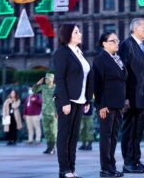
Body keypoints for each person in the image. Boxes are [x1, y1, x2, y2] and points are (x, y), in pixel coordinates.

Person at [53, 24, 93, 178]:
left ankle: (71, 168)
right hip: (67, 100)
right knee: (64, 135)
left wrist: (87, 99)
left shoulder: (79, 53)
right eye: (76, 32)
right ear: (68, 35)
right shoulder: (62, 53)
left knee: (74, 136)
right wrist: (64, 102)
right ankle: (64, 170)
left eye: (79, 31)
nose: (80, 34)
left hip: (79, 100)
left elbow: (85, 78)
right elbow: (60, 79)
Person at [119, 18, 144, 173]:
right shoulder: (127, 45)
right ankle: (128, 162)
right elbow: (123, 71)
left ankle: (136, 160)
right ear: (136, 29)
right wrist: (124, 97)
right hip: (131, 97)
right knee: (129, 130)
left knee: (138, 131)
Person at [94, 32, 127, 177]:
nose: (117, 43)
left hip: (118, 104)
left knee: (113, 136)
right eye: (113, 41)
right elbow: (97, 84)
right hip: (106, 104)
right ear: (104, 43)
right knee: (106, 137)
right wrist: (101, 104)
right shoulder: (100, 59)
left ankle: (111, 166)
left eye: (117, 40)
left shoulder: (117, 59)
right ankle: (105, 168)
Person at [33, 73, 57, 154]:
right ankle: (48, 147)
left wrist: (57, 112)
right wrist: (38, 83)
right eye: (46, 79)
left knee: (53, 131)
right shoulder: (43, 87)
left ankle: (53, 147)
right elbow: (34, 90)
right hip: (44, 112)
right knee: (46, 131)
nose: (46, 80)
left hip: (53, 113)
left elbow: (60, 100)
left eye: (48, 79)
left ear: (52, 79)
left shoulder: (56, 88)